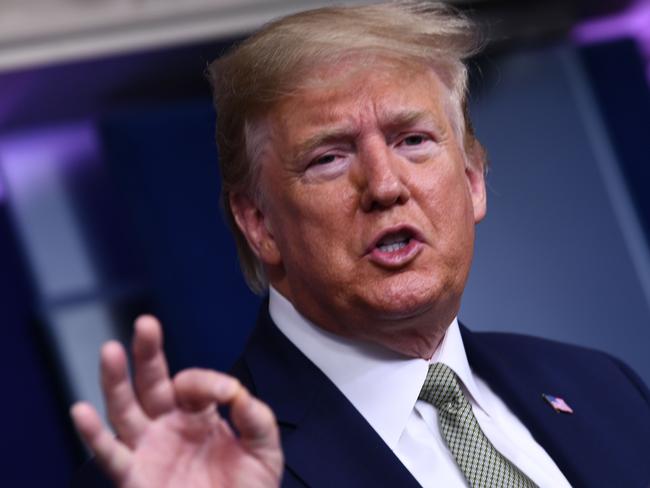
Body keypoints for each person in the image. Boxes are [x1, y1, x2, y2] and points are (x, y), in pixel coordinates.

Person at [71, 2, 650, 487]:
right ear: (259, 224)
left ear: (473, 180)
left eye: (414, 140)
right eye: (329, 158)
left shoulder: (603, 387)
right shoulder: (190, 470)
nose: (384, 185)